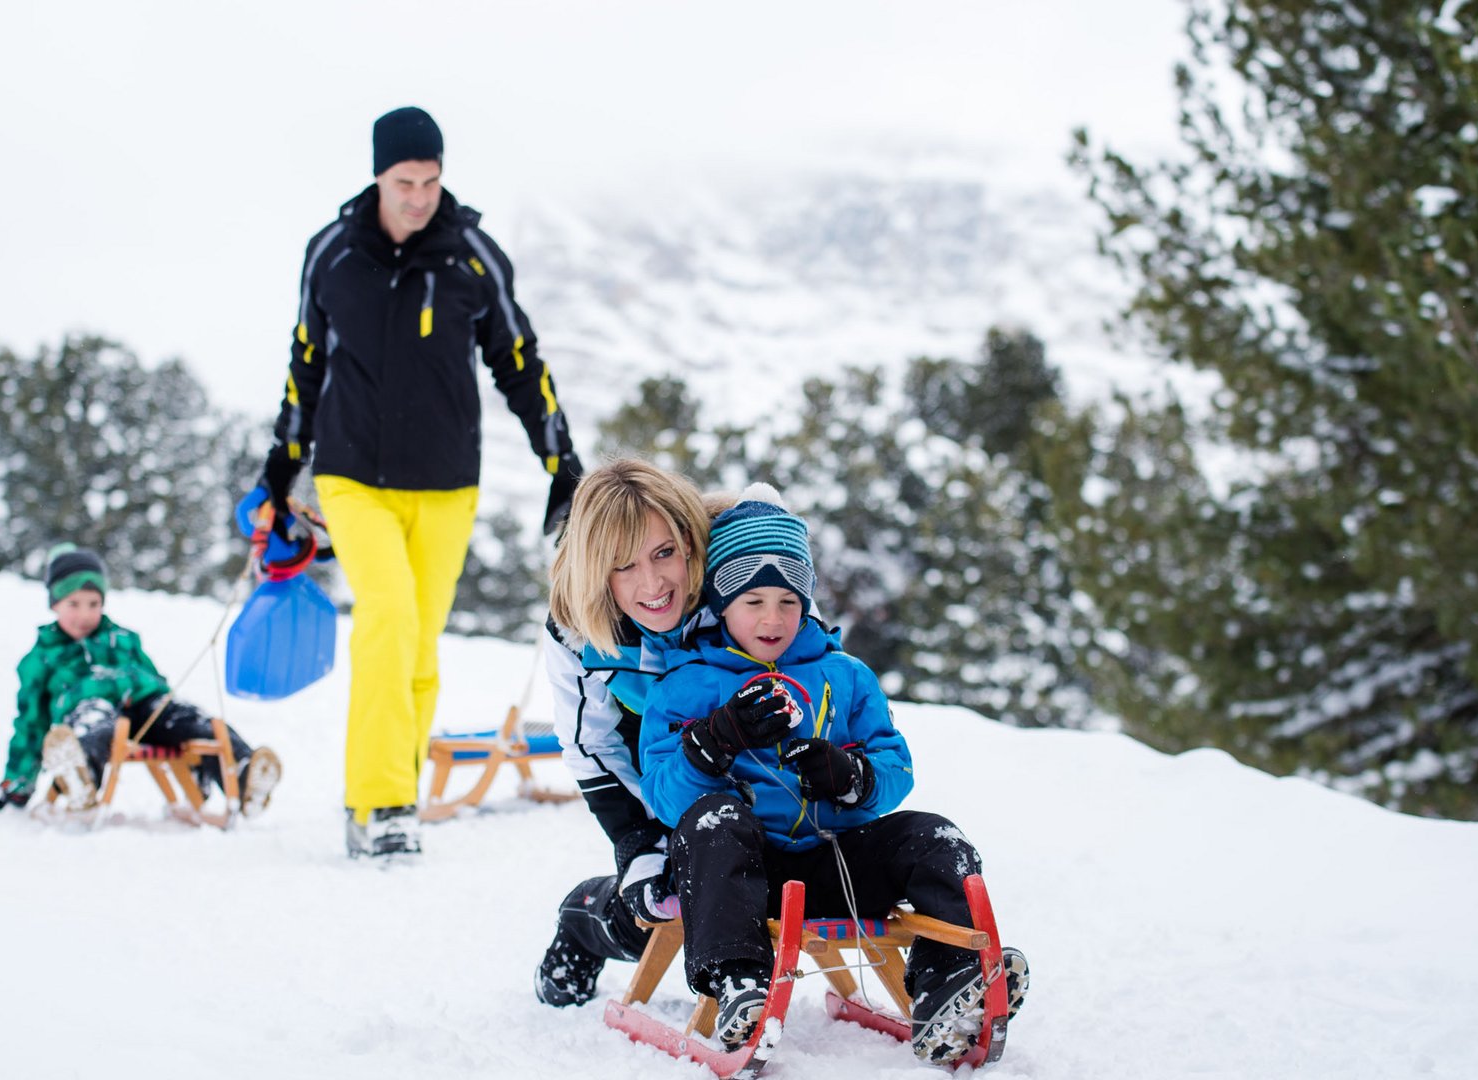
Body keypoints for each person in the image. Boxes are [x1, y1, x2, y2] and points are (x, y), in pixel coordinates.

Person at [254, 106, 583, 859]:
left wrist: (560, 460)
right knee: (390, 617)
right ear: (378, 176)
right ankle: (378, 800)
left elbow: (519, 360)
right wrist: (282, 465)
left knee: (419, 645)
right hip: (351, 475)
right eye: (406, 182)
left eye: (432, 181)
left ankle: (391, 806)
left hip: (445, 483)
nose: (420, 196)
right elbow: (306, 357)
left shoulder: (471, 256)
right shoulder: (332, 253)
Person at [638, 488, 1029, 1064]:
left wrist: (854, 777)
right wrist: (712, 743)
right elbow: (664, 796)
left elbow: (895, 765)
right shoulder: (685, 685)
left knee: (932, 836)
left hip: (835, 863)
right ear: (721, 602)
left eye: (788, 601)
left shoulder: (845, 677)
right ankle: (738, 984)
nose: (773, 618)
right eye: (753, 600)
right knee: (713, 821)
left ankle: (950, 982)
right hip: (743, 878)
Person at [531, 460, 716, 1007]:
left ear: (688, 539)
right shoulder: (577, 626)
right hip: (652, 763)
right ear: (596, 572)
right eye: (623, 566)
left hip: (748, 747)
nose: (653, 584)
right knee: (663, 907)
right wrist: (642, 844)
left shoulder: (749, 576)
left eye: (664, 553)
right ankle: (587, 920)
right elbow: (593, 746)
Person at [0, 544, 283, 818]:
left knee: (194, 720)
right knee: (92, 724)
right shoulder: (42, 657)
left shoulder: (123, 639)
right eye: (73, 604)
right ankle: (80, 777)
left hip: (145, 706)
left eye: (93, 604)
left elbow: (155, 678)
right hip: (90, 709)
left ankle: (246, 775)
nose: (85, 614)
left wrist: (166, 704)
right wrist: (17, 785)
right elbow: (30, 724)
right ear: (54, 604)